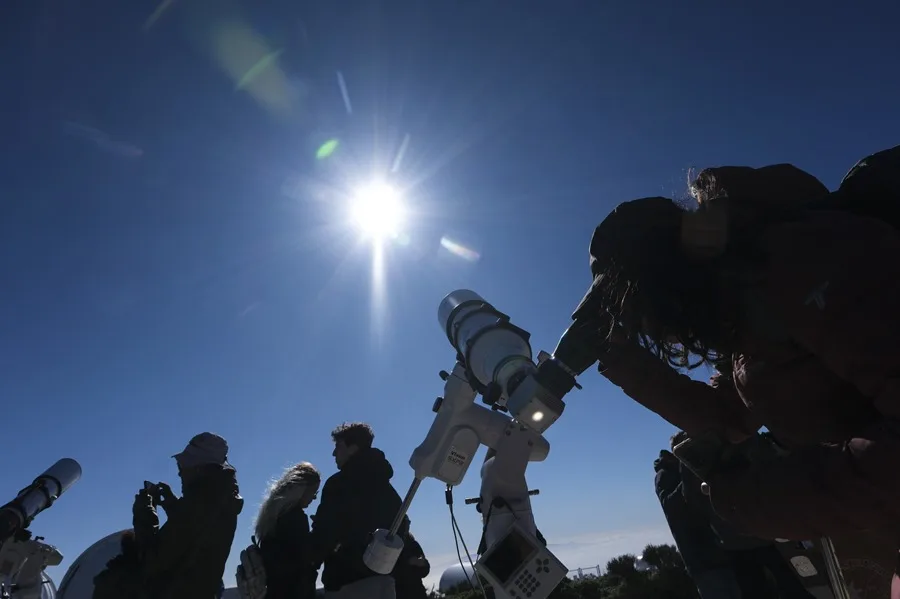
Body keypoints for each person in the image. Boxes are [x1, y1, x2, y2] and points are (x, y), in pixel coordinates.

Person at [566, 149, 900, 596]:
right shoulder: (739, 318)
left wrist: (762, 502)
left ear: (661, 276)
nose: (644, 325)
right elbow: (730, 417)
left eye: (636, 308)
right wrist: (623, 360)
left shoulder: (804, 260)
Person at [132, 432, 244, 599]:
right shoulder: (220, 498)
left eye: (182, 466)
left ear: (198, 468)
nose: (180, 473)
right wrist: (173, 504)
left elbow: (151, 560)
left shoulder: (197, 506)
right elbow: (194, 534)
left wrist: (144, 511)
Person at [311, 422, 403, 599]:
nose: (333, 453)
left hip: (346, 583)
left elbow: (325, 535)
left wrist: (307, 562)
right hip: (384, 583)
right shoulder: (386, 489)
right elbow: (400, 526)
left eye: (338, 446)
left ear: (352, 448)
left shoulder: (338, 485)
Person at [253, 462, 321, 599]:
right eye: (314, 492)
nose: (314, 498)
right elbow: (304, 560)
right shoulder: (296, 518)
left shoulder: (271, 517)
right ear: (302, 489)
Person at [392, 529, 430, 599]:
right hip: (399, 593)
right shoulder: (388, 542)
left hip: (417, 592)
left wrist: (422, 564)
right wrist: (408, 562)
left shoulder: (412, 544)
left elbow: (424, 571)